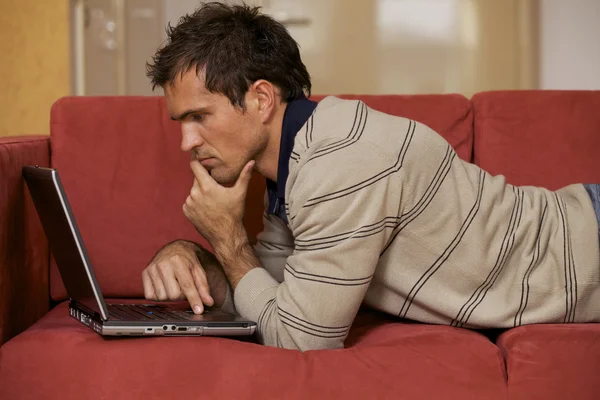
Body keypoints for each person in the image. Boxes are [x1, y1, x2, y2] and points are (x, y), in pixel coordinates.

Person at [143, 2, 600, 351]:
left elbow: (302, 340)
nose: (188, 142)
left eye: (199, 116)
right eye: (181, 123)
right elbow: (271, 290)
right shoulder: (296, 159)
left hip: (586, 251)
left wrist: (227, 238)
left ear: (261, 99)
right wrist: (189, 256)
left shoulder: (339, 164)